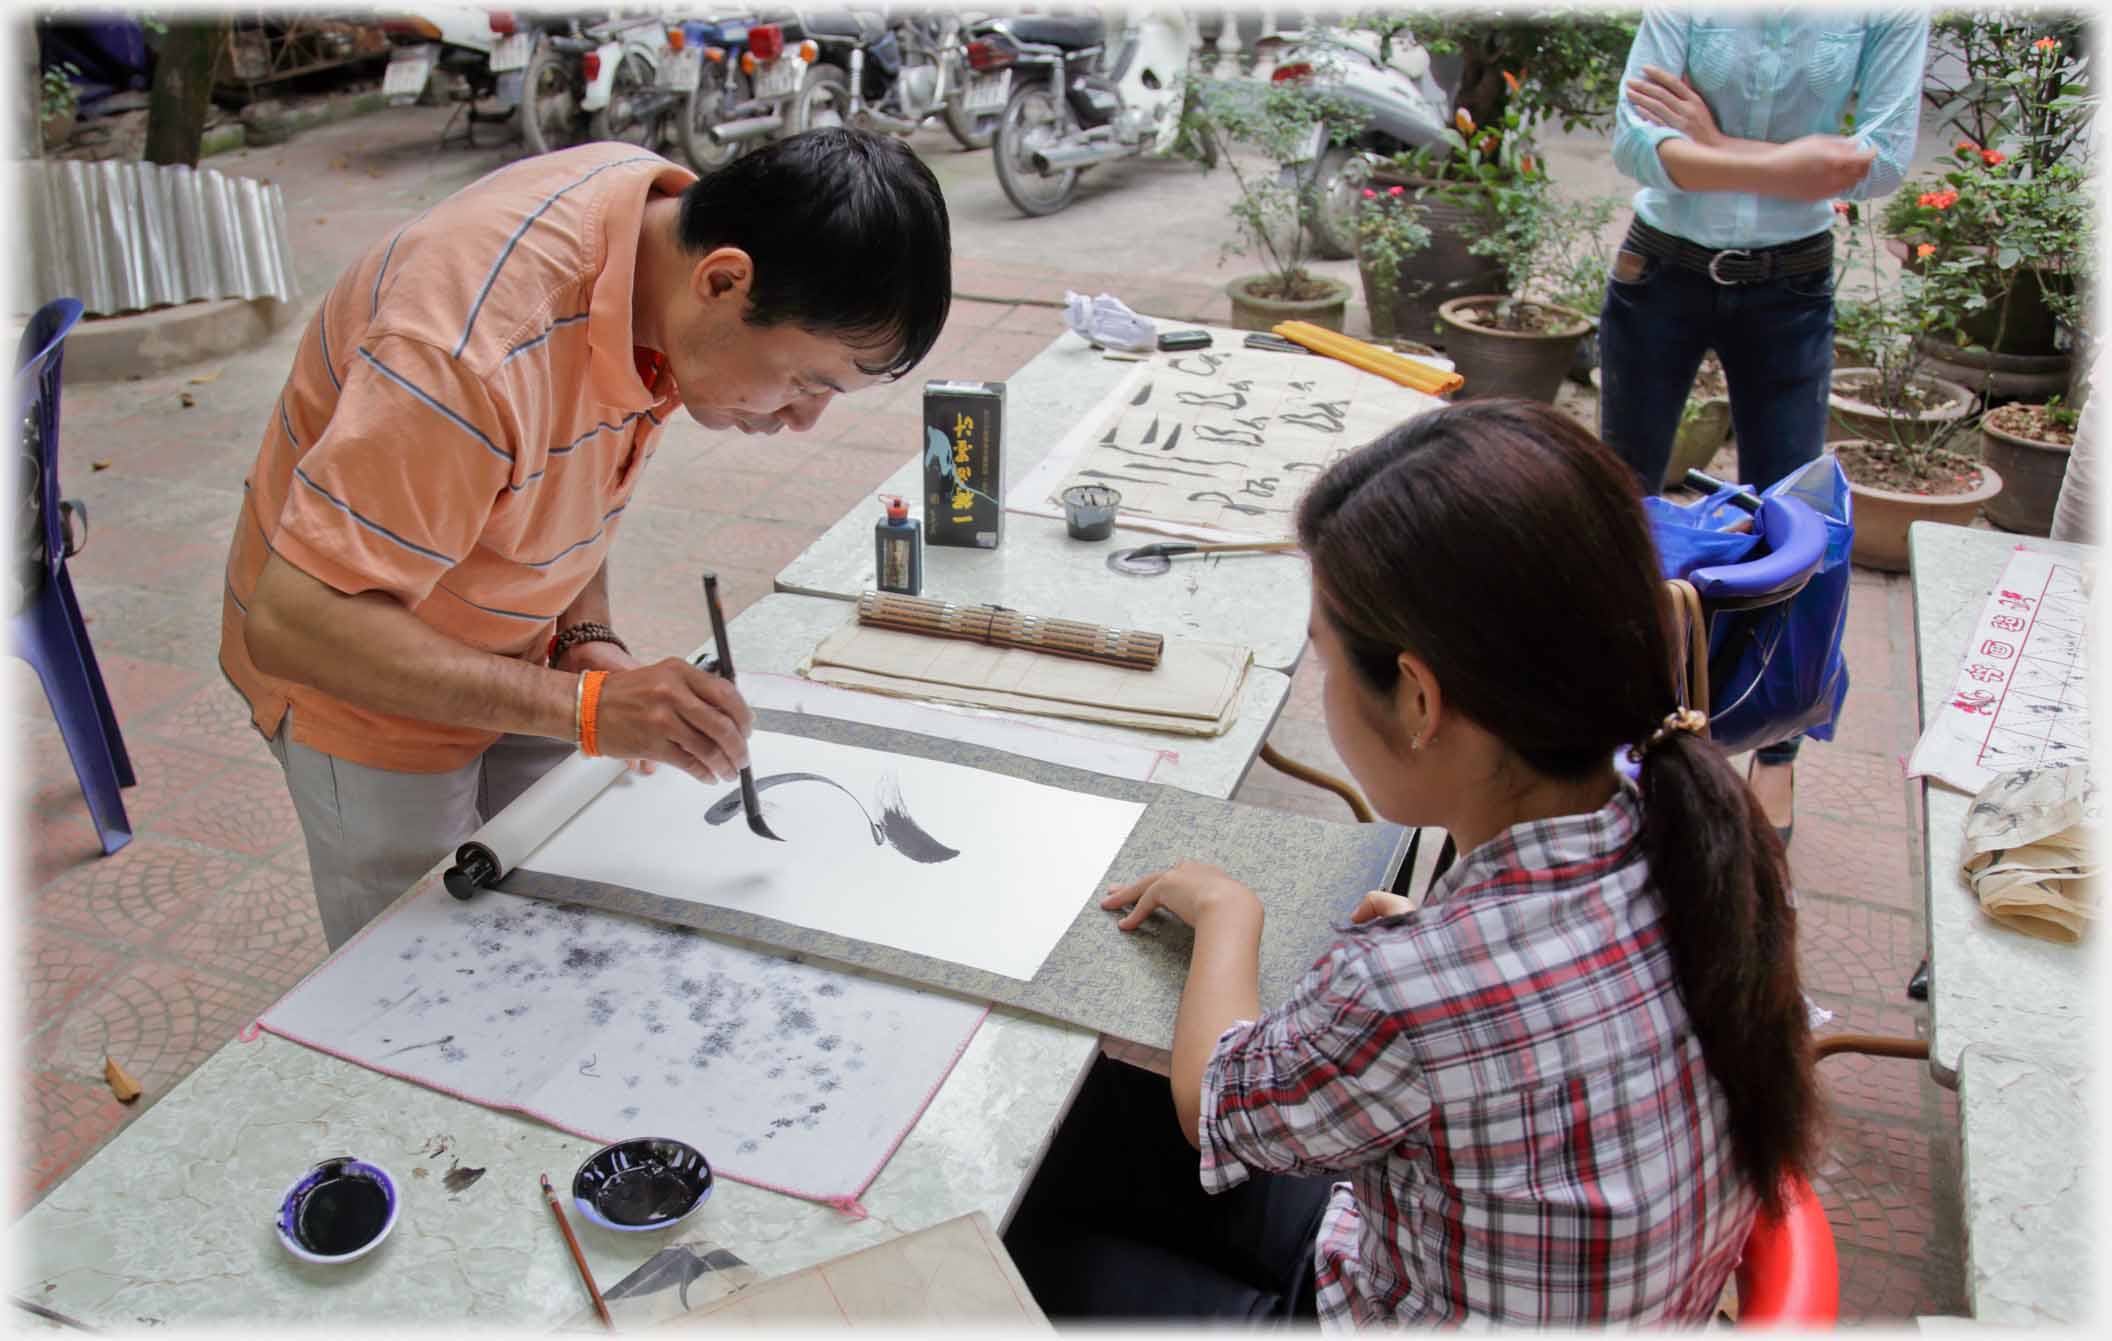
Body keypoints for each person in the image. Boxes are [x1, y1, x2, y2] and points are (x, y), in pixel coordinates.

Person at [1003, 400, 1822, 1326]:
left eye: (1327, 661)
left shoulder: (1411, 989)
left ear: (1420, 699)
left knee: (1032, 1218)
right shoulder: (1684, 838)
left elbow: (1211, 1100)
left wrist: (1229, 911)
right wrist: (1436, 960)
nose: (1324, 691)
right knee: (1108, 1127)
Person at [221, 130, 952, 948]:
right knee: (422, 979)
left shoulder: (657, 249)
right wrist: (588, 706)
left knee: (555, 921)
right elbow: (293, 622)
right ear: (724, 279)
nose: (804, 417)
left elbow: (568, 462)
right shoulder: (469, 351)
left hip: (508, 637)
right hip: (357, 668)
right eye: (807, 380)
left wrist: (584, 639)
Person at [1599, 10, 1930, 845]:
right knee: (1611, 508)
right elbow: (1637, 147)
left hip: (1791, 287)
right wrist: (1803, 164)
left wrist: (1710, 144)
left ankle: (1773, 751)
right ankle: (1608, 725)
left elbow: (1879, 164)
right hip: (1659, 271)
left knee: (1797, 528)